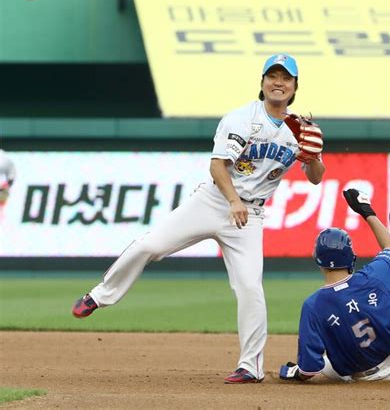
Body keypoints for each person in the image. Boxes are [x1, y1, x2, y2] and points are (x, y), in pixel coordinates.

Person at [72, 53, 326, 384]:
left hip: (251, 214)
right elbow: (217, 166)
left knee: (250, 287)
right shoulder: (240, 119)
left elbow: (316, 177)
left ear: (294, 88)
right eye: (272, 76)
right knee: (151, 244)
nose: (278, 83)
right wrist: (233, 200)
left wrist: (314, 156)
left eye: (285, 78)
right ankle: (99, 295)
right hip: (214, 200)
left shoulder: (301, 130)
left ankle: (250, 366)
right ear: (262, 83)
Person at [280, 188, 390, 383]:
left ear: (317, 259)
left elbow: (309, 370)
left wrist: (297, 373)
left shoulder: (312, 305)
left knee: (326, 360)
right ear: (351, 257)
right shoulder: (372, 277)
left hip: (356, 374)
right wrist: (366, 212)